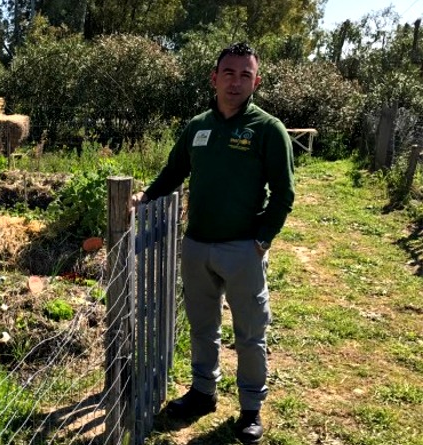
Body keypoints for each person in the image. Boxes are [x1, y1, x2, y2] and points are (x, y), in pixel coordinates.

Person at [131, 42, 295, 444]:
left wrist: (261, 239)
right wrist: (147, 198)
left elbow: (284, 193)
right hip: (197, 245)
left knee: (250, 334)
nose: (236, 81)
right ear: (214, 77)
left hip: (242, 249)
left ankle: (250, 409)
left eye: (245, 74)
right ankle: (203, 392)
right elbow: (174, 170)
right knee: (203, 327)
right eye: (229, 72)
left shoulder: (267, 129)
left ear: (256, 80)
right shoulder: (198, 126)